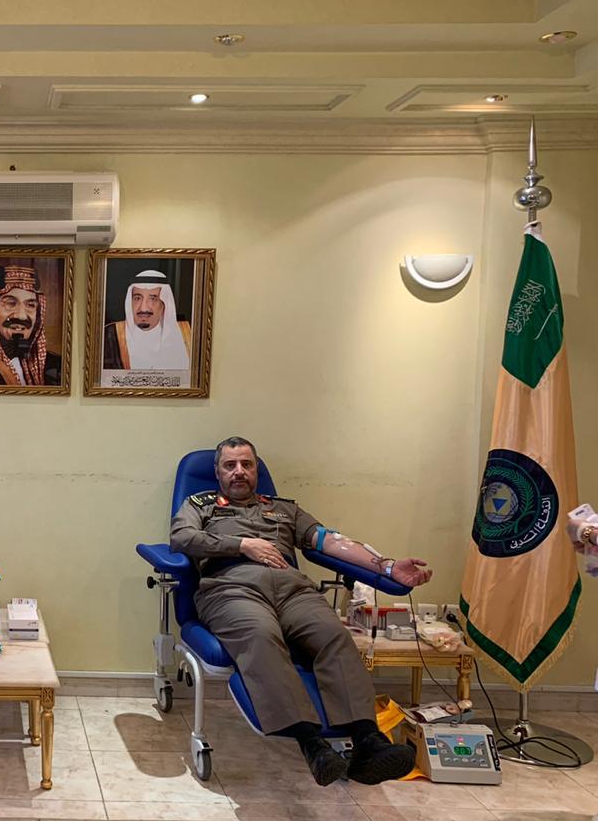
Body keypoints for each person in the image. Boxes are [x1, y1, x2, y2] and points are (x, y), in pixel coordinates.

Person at [170, 436, 432, 786]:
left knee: (334, 637)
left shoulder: (284, 509)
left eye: (247, 464)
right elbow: (181, 538)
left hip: (293, 590)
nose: (239, 471)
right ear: (217, 473)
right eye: (229, 465)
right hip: (231, 588)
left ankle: (368, 740)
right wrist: (243, 545)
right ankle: (312, 744)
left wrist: (386, 566)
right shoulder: (199, 505)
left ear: (257, 470)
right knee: (261, 635)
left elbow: (330, 541)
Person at [102, 271, 192, 370]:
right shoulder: (110, 335)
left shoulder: (188, 334)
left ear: (164, 304)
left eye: (153, 299)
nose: (143, 308)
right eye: (137, 298)